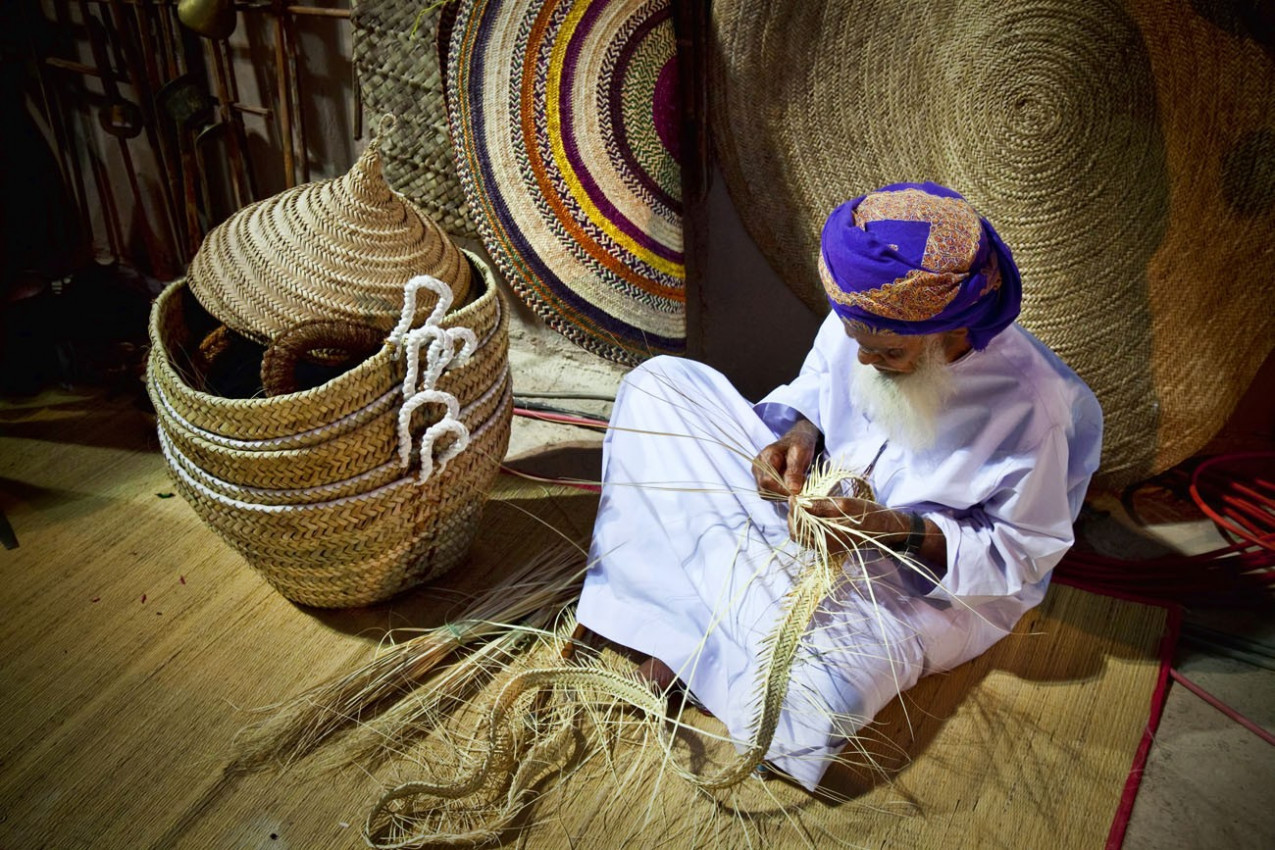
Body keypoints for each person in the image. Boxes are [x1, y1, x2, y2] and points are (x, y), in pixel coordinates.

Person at [576, 182, 1103, 791]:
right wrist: (797, 437)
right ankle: (716, 635)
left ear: (949, 333)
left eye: (885, 352)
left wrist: (895, 531)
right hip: (806, 524)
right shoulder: (869, 318)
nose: (862, 360)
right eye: (856, 340)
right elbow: (818, 388)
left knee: (825, 696)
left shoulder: (1034, 408)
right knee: (657, 387)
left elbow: (1021, 553)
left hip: (906, 592)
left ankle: (687, 625)